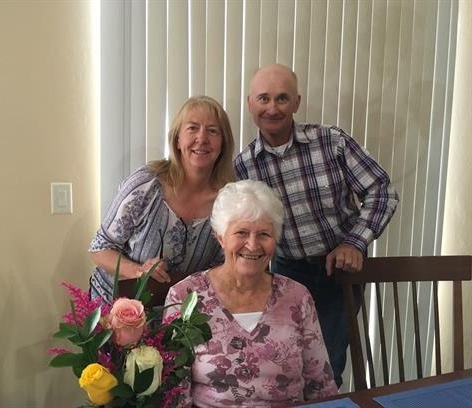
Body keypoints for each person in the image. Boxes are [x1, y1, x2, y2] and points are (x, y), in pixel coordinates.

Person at [234, 63, 399, 387]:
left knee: (327, 370)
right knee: (282, 367)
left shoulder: (331, 141)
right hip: (284, 273)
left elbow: (382, 191)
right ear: (250, 103)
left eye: (282, 99)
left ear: (296, 103)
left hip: (338, 273)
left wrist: (354, 242)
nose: (272, 108)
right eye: (263, 99)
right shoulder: (245, 165)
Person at [165, 180, 338, 407]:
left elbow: (321, 385)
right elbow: (175, 393)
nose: (253, 245)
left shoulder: (297, 297)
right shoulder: (185, 296)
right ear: (220, 237)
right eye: (241, 232)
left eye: (264, 234)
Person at [89, 95, 235, 303]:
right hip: (115, 307)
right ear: (177, 139)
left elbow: (224, 267)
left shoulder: (229, 202)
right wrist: (138, 271)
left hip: (180, 316)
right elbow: (100, 248)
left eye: (212, 131)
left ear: (223, 143)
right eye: (192, 128)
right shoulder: (145, 185)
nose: (201, 138)